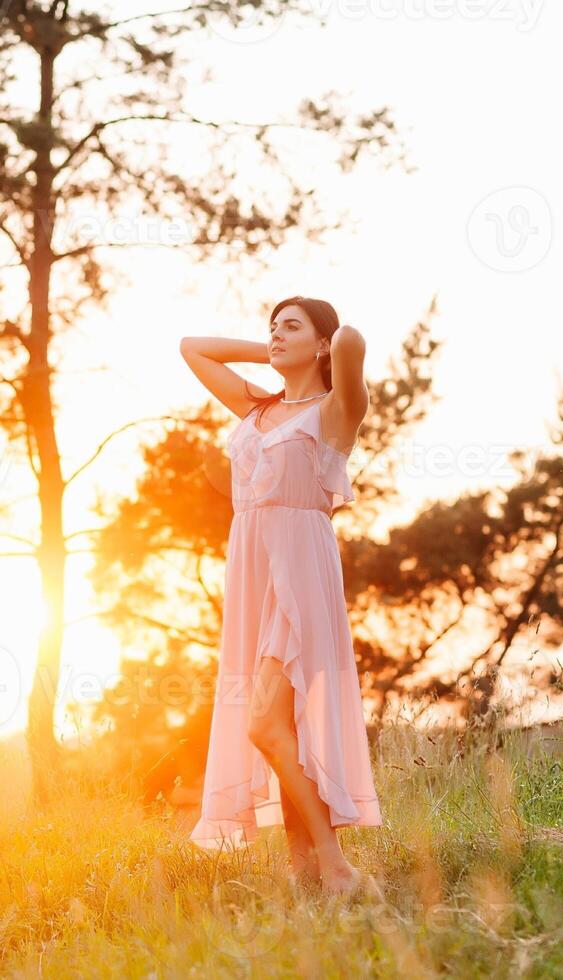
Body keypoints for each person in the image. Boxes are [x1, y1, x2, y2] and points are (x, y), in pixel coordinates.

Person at [179, 296, 384, 903]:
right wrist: (270, 353)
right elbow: (193, 349)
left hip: (300, 571)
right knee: (280, 724)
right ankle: (307, 870)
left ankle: (336, 864)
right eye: (272, 325)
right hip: (252, 572)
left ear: (319, 343)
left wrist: (325, 341)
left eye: (289, 326)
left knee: (266, 724)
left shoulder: (336, 410)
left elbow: (350, 340)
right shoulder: (258, 405)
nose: (275, 333)